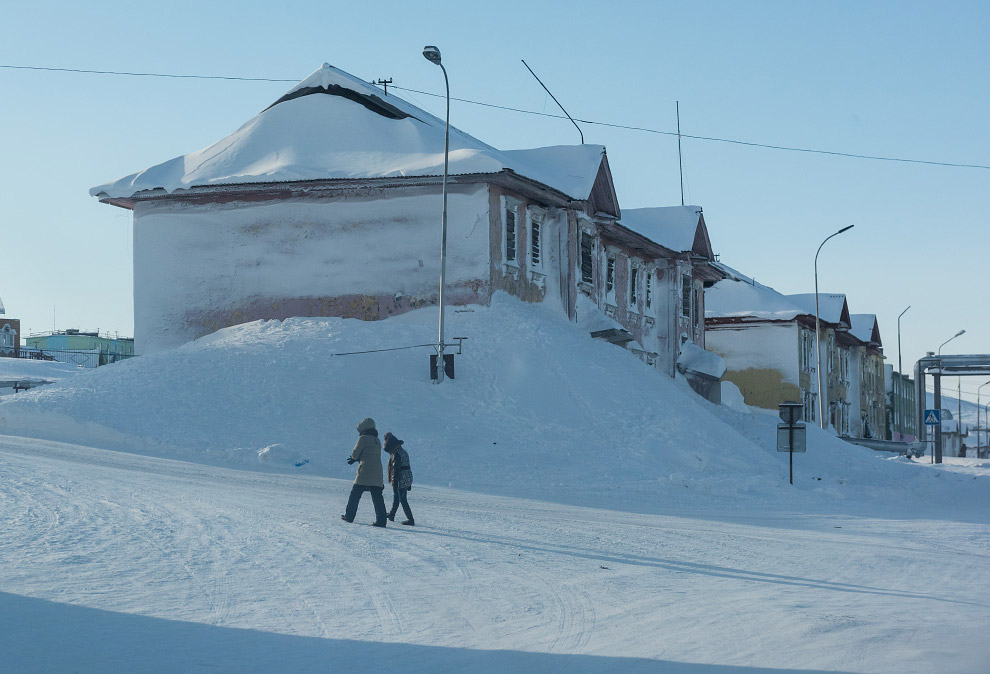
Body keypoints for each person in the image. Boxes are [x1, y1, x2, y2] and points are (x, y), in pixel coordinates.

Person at [341, 417, 388, 527]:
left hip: (365, 471)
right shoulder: (377, 439)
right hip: (377, 472)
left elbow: (356, 453)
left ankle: (349, 516)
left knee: (355, 494)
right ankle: (381, 521)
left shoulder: (363, 438)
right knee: (377, 497)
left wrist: (354, 458)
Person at [382, 431, 414, 526]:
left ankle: (410, 519)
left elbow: (396, 470)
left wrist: (395, 483)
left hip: (401, 479)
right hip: (407, 477)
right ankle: (392, 514)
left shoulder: (396, 454)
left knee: (402, 499)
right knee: (397, 497)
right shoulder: (402, 451)